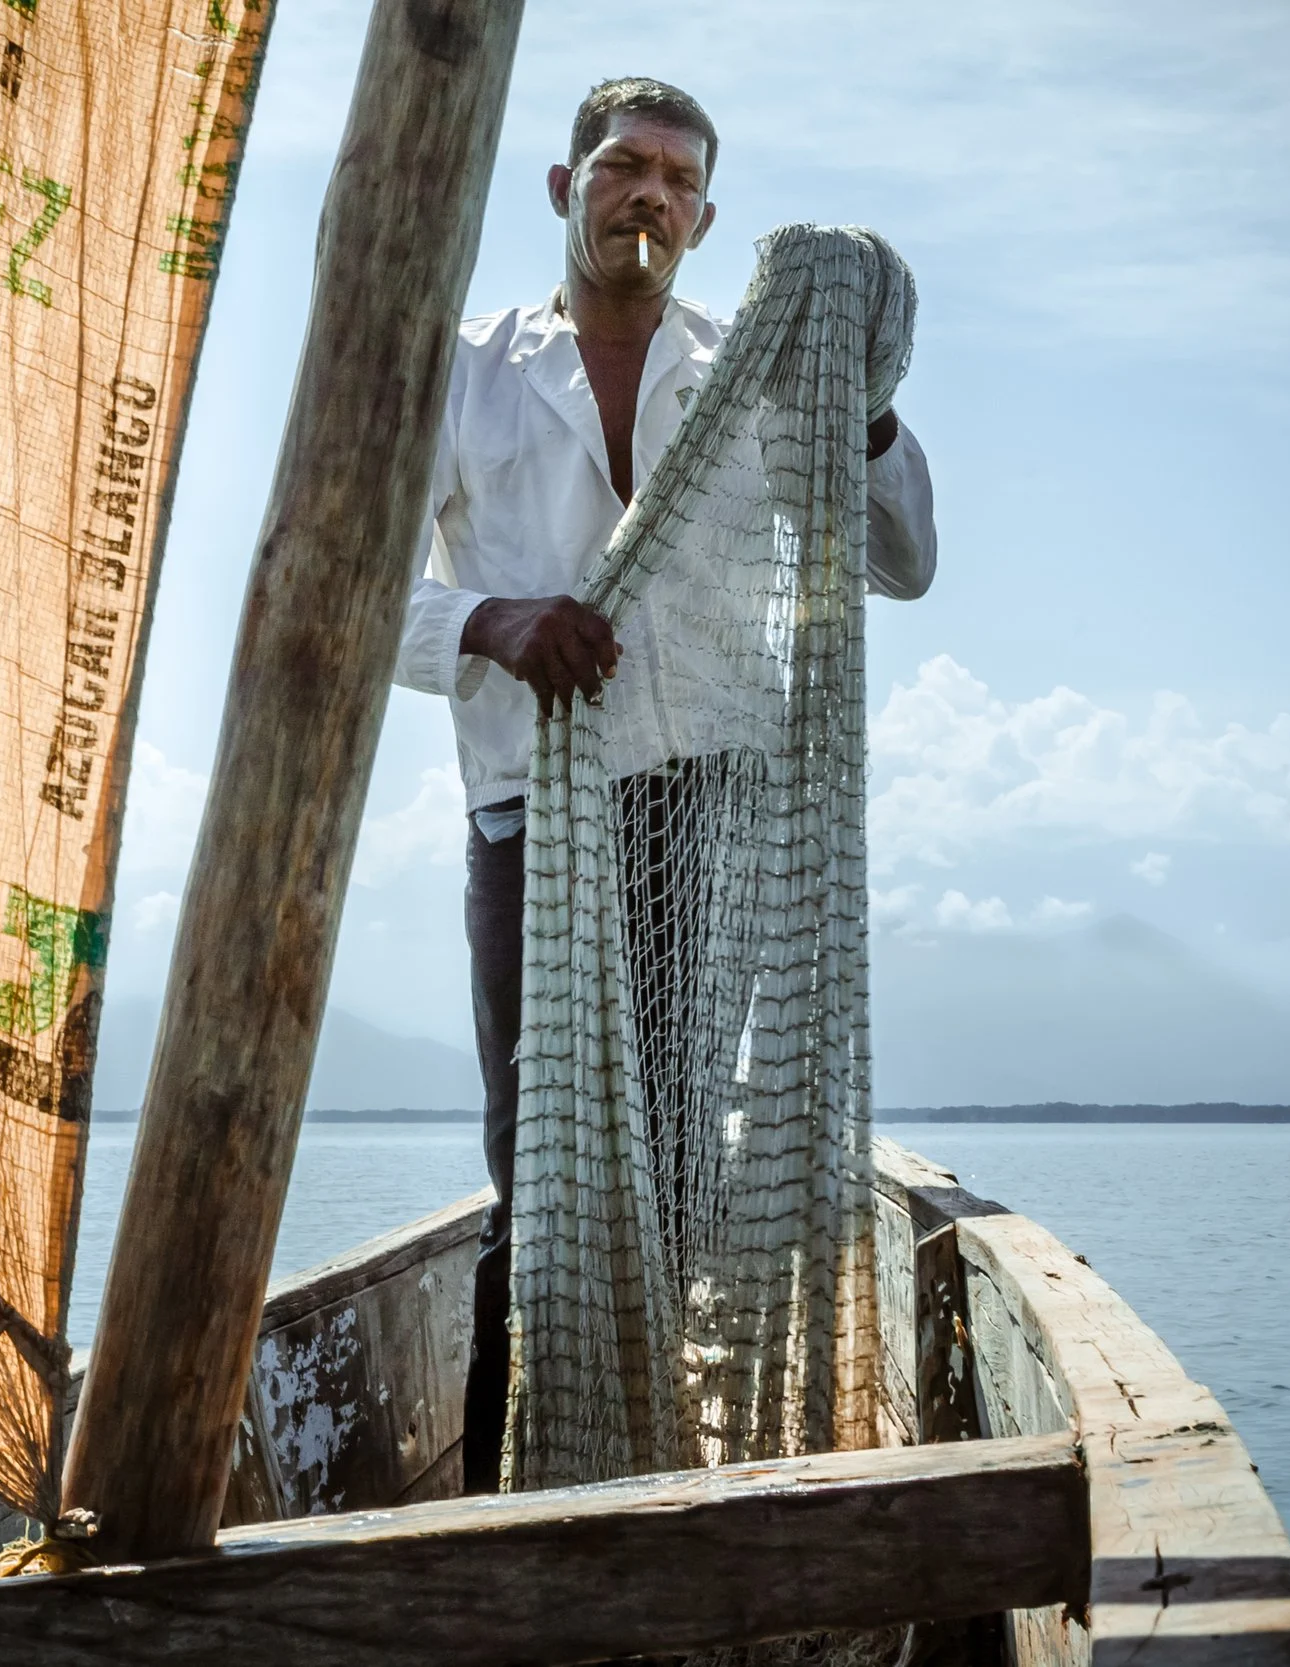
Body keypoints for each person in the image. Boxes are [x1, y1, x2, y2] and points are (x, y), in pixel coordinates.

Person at [392, 76, 939, 1495]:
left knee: (685, 1172)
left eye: (679, 181)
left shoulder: (757, 374)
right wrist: (489, 619)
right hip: (535, 815)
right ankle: (503, 1525)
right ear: (563, 187)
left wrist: (866, 405)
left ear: (703, 218)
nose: (650, 195)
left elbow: (903, 560)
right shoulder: (464, 368)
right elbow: (351, 587)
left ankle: (653, 1490)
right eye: (624, 166)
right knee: (542, 1187)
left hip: (705, 816)